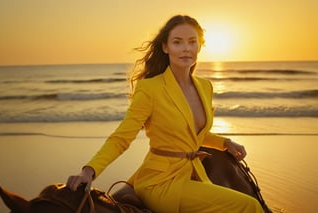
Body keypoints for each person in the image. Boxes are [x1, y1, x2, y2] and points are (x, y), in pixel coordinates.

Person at [67, 15, 264, 213]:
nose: (186, 48)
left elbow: (195, 135)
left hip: (191, 172)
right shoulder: (150, 88)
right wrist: (89, 171)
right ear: (165, 47)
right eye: (177, 42)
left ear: (199, 47)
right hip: (160, 182)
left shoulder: (205, 86)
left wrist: (225, 143)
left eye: (192, 42)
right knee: (249, 205)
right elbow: (122, 138)